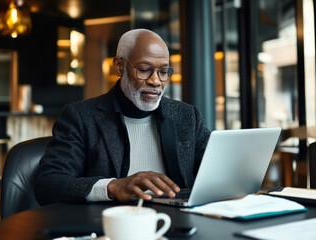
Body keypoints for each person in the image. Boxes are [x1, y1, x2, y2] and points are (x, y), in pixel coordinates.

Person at [34, 29, 211, 205]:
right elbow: (48, 184)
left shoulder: (187, 116)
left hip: (177, 224)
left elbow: (218, 171)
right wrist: (113, 187)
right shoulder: (80, 117)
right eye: (144, 70)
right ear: (119, 66)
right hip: (113, 225)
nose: (155, 81)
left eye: (163, 72)